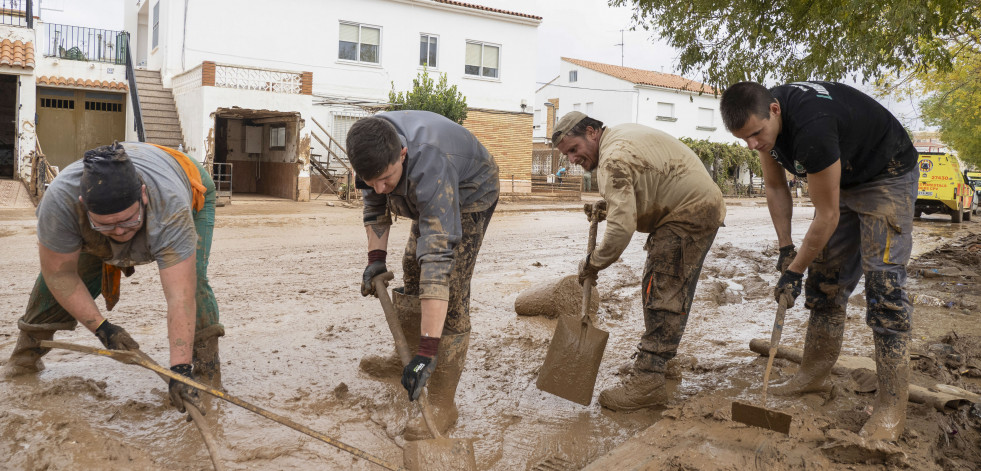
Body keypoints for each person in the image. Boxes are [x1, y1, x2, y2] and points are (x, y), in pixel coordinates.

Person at [720, 81, 918, 442]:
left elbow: (826, 216)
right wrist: (786, 249)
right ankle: (812, 376)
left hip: (887, 174)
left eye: (755, 134)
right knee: (826, 279)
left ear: (775, 110)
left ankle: (892, 407)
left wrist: (794, 272)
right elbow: (776, 186)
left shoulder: (813, 127)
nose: (751, 144)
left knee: (884, 288)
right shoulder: (764, 124)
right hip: (843, 177)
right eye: (743, 139)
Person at [0, 142, 223, 415]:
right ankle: (26, 355)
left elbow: (181, 296)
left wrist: (179, 370)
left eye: (127, 222)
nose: (119, 231)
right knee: (68, 271)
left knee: (194, 280)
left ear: (143, 195)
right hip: (108, 212)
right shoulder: (60, 203)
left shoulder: (170, 207)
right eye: (107, 224)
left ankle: (204, 368)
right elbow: (60, 275)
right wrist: (103, 329)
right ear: (83, 205)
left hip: (186, 181)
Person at [552, 111, 726, 411]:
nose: (572, 159)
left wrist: (593, 263)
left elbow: (621, 230)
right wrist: (608, 207)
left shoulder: (612, 160)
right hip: (692, 206)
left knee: (664, 291)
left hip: (687, 213)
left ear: (592, 132)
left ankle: (648, 380)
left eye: (573, 149)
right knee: (657, 285)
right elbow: (644, 189)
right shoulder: (618, 138)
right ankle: (660, 361)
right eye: (566, 154)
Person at [347, 110, 499, 440]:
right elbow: (375, 207)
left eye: (386, 179)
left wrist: (429, 351)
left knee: (452, 288)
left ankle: (444, 402)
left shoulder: (430, 163)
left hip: (471, 190)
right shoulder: (372, 150)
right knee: (410, 266)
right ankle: (405, 354)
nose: (379, 188)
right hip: (424, 191)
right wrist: (376, 259)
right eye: (370, 181)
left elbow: (438, 263)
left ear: (402, 154)